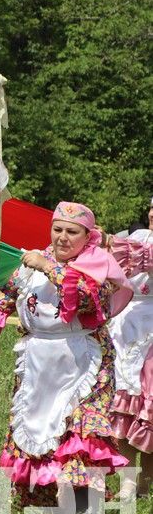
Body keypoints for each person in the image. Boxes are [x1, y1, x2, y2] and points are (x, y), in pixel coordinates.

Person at [0, 201, 132, 514]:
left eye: (73, 231)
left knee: (79, 435)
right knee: (35, 433)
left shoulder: (97, 267)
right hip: (38, 363)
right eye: (58, 229)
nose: (63, 237)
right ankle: (44, 510)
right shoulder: (29, 267)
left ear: (87, 236)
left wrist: (47, 266)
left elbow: (85, 298)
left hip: (85, 364)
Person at [106, 196, 153, 497]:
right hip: (125, 323)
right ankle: (128, 481)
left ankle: (147, 483)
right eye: (152, 208)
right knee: (122, 399)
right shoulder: (134, 238)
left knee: (149, 403)